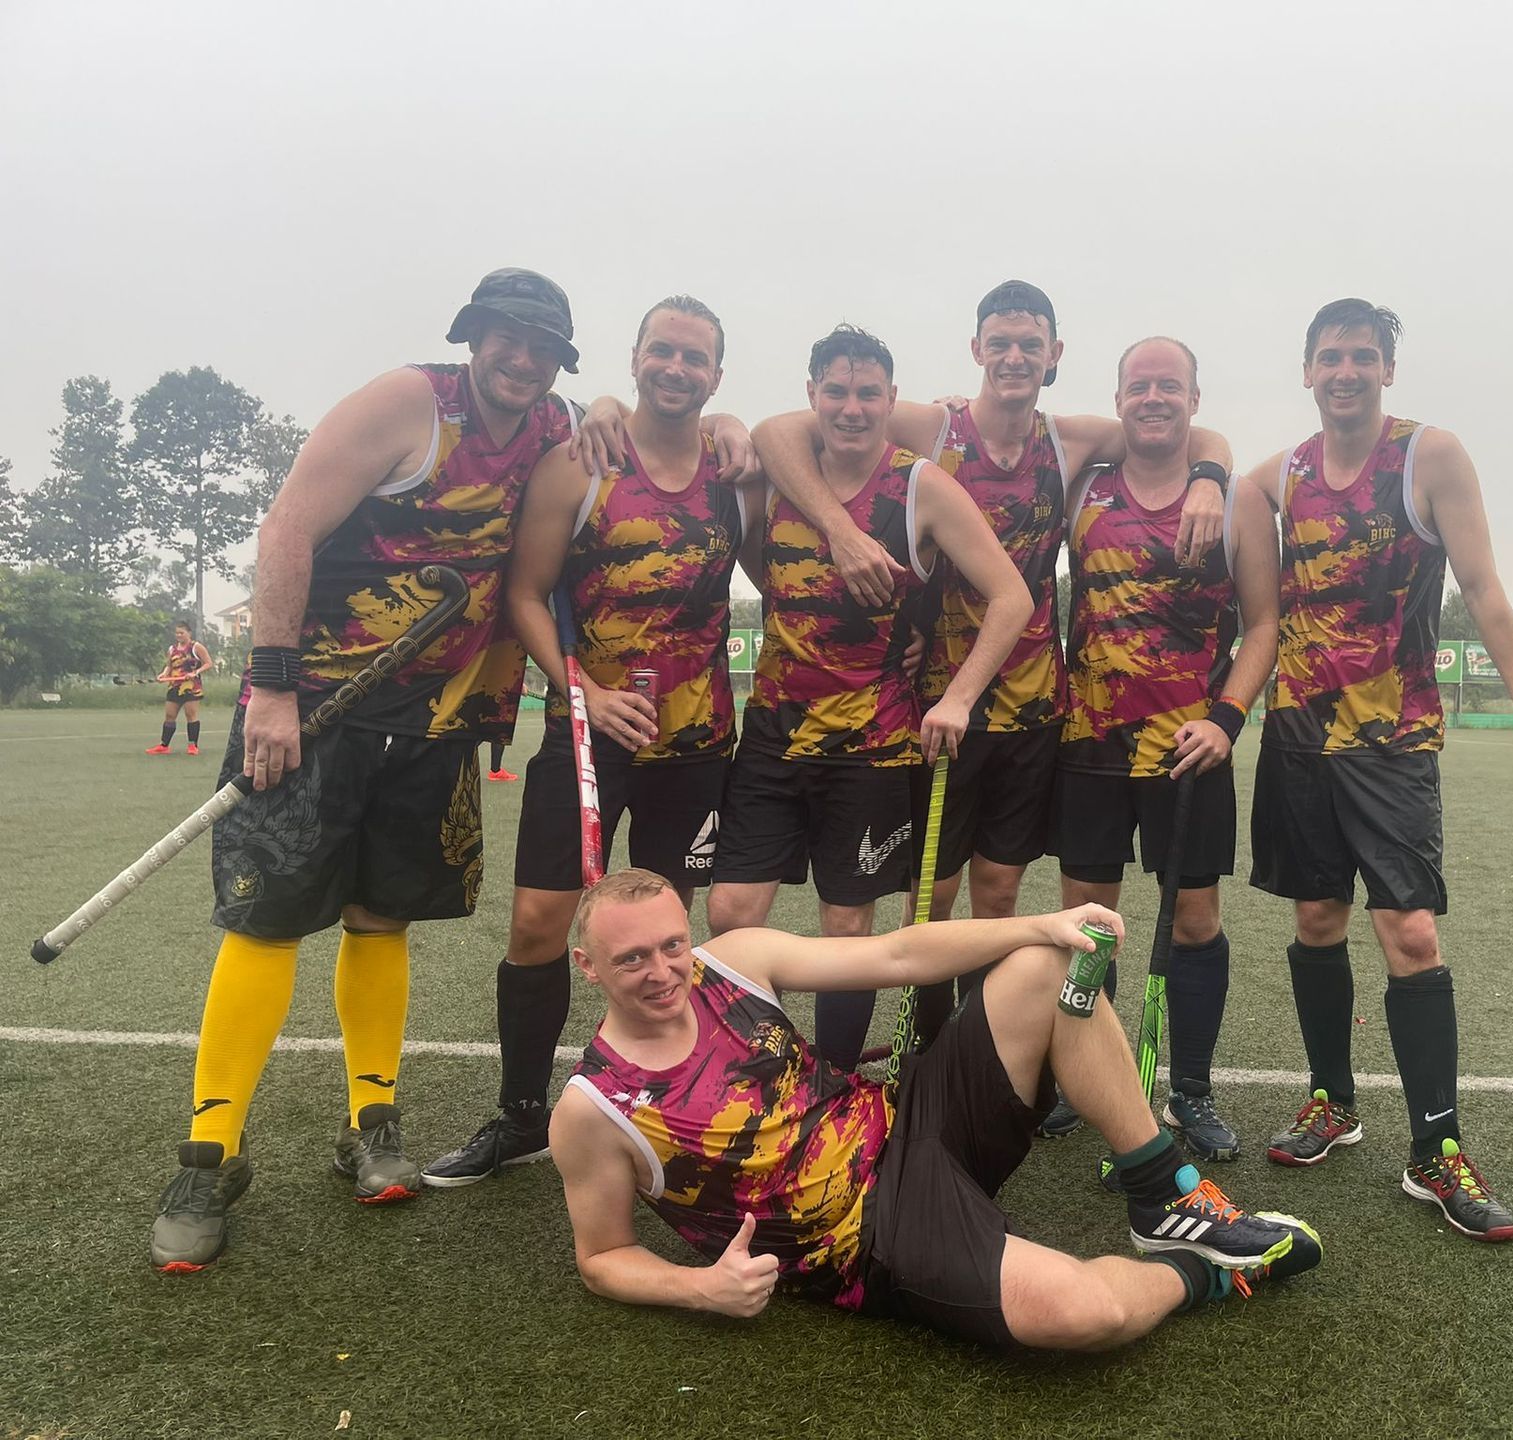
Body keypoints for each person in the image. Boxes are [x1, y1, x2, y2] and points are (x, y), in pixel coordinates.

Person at [147, 268, 635, 1272]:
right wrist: (273, 690)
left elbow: (607, 420)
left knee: (381, 920)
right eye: (505, 336)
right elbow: (286, 528)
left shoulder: (552, 428)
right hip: (315, 712)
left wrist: (611, 404)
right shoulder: (409, 404)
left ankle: (369, 1125)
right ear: (472, 336)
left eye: (543, 346)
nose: (521, 357)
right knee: (268, 919)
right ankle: (212, 1148)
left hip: (437, 726)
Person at [550, 868, 1323, 1349]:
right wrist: (699, 1288)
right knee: (1081, 1314)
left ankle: (1161, 1197)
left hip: (909, 1117)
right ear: (587, 967)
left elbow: (895, 955)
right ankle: (1207, 1272)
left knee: (1047, 965)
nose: (664, 972)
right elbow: (601, 1257)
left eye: (672, 946)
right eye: (633, 959)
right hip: (872, 1237)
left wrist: (1038, 925)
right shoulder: (594, 1109)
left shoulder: (734, 963)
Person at [751, 283, 1233, 1053]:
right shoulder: (932, 426)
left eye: (1030, 344)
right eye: (999, 342)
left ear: (1053, 356)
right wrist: (839, 529)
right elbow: (780, 430)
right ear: (976, 349)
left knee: (1000, 894)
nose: (1014, 356)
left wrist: (1211, 476)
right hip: (937, 707)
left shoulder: (1070, 439)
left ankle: (981, 1054)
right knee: (928, 899)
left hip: (1036, 710)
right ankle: (922, 1048)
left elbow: (1182, 428)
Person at [1246, 298, 1513, 1244]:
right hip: (1298, 734)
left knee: (1411, 932)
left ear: (1386, 369)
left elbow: (1482, 588)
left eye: (1362, 357)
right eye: (1328, 358)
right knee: (1315, 919)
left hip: (1393, 740)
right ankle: (1332, 1103)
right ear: (1305, 371)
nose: (1345, 371)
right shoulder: (1280, 474)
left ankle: (1437, 1148)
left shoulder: (1430, 456)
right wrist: (1201, 495)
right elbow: (1222, 479)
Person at [426, 295, 754, 1186]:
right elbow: (525, 594)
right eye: (663, 352)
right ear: (637, 358)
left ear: (716, 376)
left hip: (694, 747)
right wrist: (586, 694)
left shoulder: (733, 467)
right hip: (586, 739)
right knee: (538, 921)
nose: (677, 370)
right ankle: (521, 1114)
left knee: (663, 939)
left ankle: (675, 1101)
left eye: (696, 359)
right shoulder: (584, 463)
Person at [706, 326, 1030, 1070]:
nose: (851, 409)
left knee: (847, 925)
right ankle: (758, 1072)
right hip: (773, 735)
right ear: (812, 394)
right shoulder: (780, 476)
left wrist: (956, 698)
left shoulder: (921, 486)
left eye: (868, 393)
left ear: (891, 399)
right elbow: (771, 568)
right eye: (836, 392)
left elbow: (1010, 597)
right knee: (730, 915)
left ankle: (833, 1083)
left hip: (871, 749)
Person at [1044, 338, 1280, 1161]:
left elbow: (1265, 626)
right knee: (1090, 924)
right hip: (1088, 742)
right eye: (1138, 386)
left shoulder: (1239, 497)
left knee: (1194, 919)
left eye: (1169, 386)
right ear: (1117, 398)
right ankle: (1087, 1077)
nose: (1154, 398)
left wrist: (1227, 719)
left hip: (1189, 752)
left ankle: (1191, 1090)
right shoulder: (1082, 485)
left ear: (1194, 396)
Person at [145, 621, 214, 756]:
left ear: (189, 633)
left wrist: (195, 673)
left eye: (181, 633)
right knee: (170, 715)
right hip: (174, 685)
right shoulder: (172, 649)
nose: (179, 635)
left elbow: (208, 663)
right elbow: (169, 666)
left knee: (190, 715)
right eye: (177, 633)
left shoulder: (196, 647)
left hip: (191, 686)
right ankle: (164, 745)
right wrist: (164, 674)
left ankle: (193, 745)